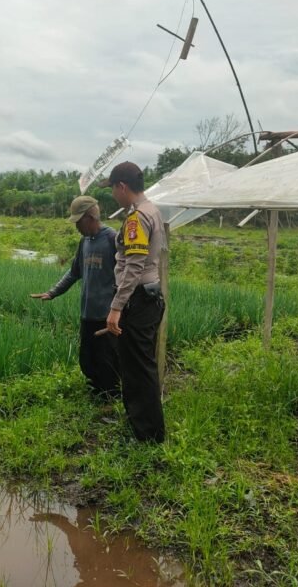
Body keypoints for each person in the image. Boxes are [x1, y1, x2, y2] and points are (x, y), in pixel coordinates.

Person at [30, 195, 120, 400]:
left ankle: (110, 399)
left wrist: (118, 310)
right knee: (87, 359)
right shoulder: (84, 242)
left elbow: (126, 278)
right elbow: (74, 273)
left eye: (78, 221)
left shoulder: (112, 239)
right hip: (87, 313)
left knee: (108, 360)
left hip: (107, 316)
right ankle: (95, 393)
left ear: (90, 217)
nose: (76, 227)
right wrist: (53, 292)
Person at [104, 162, 166, 443]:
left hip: (138, 300)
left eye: (113, 190)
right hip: (149, 297)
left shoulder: (136, 218)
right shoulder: (152, 210)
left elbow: (134, 266)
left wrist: (116, 307)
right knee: (139, 364)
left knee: (139, 368)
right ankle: (140, 425)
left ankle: (148, 435)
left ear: (122, 187)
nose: (114, 196)